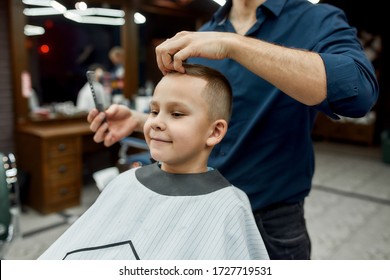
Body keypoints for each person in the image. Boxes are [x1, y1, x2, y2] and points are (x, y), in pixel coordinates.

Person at [88, 0, 379, 259]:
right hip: (198, 207)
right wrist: (141, 121)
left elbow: (357, 93)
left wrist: (234, 45)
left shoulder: (316, 19)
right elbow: (204, 118)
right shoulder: (204, 32)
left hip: (271, 219)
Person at [38, 64, 269, 260]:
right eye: (154, 111)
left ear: (214, 131)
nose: (156, 123)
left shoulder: (229, 207)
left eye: (177, 114)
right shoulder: (125, 182)